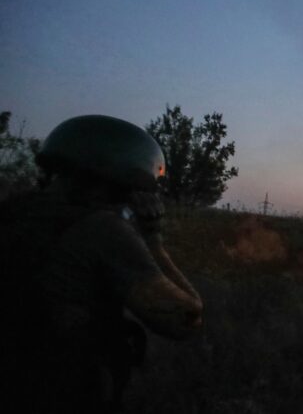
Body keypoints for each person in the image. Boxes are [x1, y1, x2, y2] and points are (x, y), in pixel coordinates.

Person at [0, 115, 203, 413]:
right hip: (57, 393)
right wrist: (153, 237)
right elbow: (185, 320)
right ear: (124, 180)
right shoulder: (102, 229)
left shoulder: (12, 212)